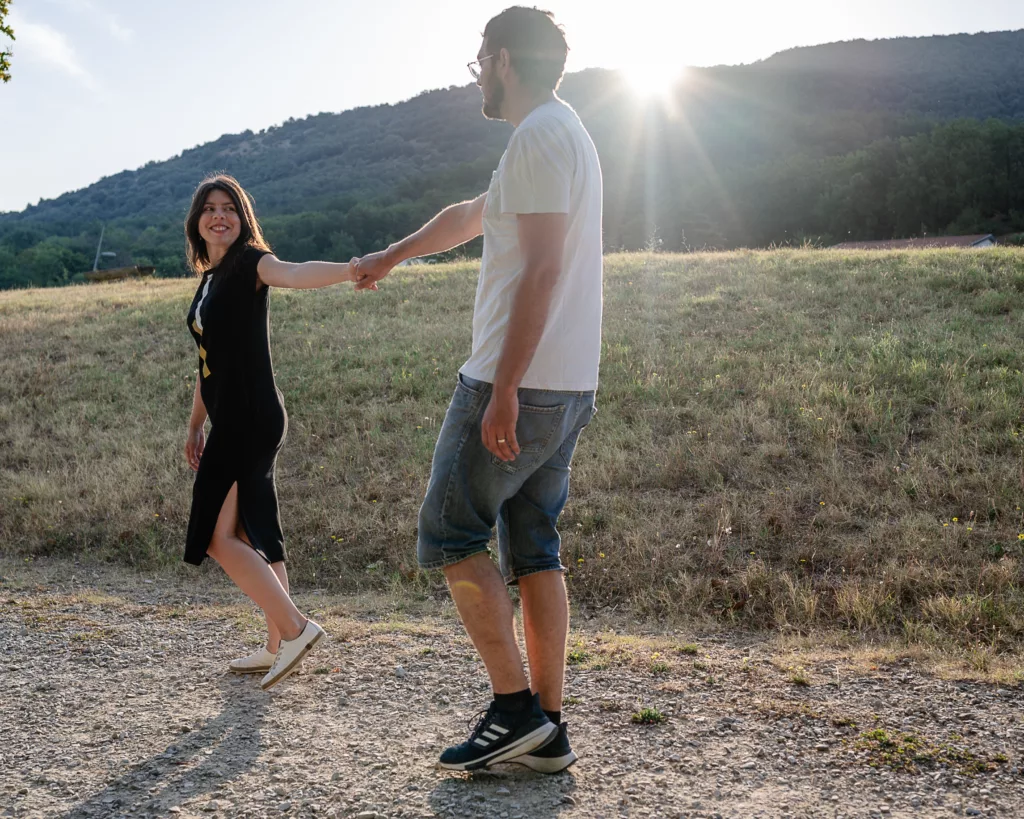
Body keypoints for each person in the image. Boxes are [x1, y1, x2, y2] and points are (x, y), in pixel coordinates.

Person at [354, 6, 602, 772]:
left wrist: (503, 388)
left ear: (501, 59)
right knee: (534, 548)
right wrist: (395, 253)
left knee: (451, 535)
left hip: (515, 382)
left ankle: (512, 707)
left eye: (478, 63)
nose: (477, 79)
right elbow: (476, 214)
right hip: (567, 385)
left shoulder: (536, 137)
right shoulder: (561, 132)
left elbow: (543, 268)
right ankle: (545, 727)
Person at [183, 174, 355, 690]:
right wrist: (196, 423)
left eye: (229, 208)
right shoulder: (209, 280)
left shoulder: (252, 262)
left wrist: (350, 269)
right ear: (197, 222)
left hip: (248, 418)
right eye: (210, 208)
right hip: (234, 416)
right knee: (256, 529)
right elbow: (207, 362)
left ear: (243, 217)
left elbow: (296, 273)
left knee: (218, 537)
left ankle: (297, 629)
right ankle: (275, 647)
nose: (220, 216)